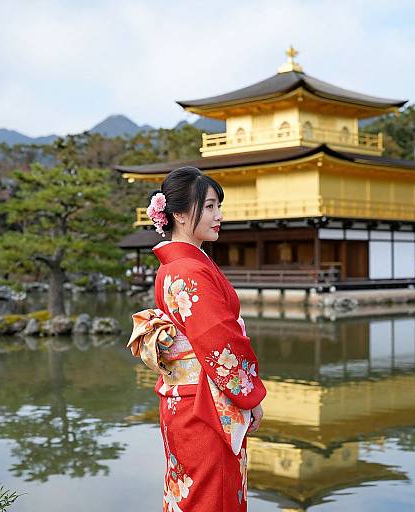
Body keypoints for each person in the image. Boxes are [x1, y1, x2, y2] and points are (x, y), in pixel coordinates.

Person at [130, 166, 266, 511]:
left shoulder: (174, 267)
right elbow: (219, 341)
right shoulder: (189, 270)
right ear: (177, 213)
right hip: (205, 407)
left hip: (183, 401)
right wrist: (248, 397)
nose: (219, 215)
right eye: (208, 207)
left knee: (190, 492)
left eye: (218, 206)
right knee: (210, 496)